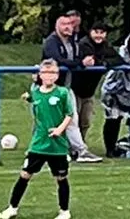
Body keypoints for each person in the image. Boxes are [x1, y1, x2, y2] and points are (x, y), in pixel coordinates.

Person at [0, 57, 74, 219]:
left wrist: (59, 130)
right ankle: (12, 208)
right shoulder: (36, 93)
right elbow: (36, 100)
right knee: (25, 174)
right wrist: (28, 97)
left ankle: (64, 210)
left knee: (61, 178)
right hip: (39, 143)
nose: (49, 76)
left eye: (52, 73)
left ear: (57, 75)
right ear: (40, 75)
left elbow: (69, 114)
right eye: (45, 72)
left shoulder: (62, 93)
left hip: (57, 145)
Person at [40, 12, 99, 161]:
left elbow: (76, 59)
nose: (67, 27)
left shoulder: (73, 43)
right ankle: (44, 151)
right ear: (57, 26)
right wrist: (80, 63)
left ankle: (80, 151)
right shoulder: (51, 42)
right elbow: (58, 60)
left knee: (72, 119)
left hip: (66, 88)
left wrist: (86, 61)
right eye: (64, 24)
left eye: (70, 24)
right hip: (50, 88)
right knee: (48, 121)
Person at [72, 22, 113, 147]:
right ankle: (72, 146)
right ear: (90, 32)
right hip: (76, 89)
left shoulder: (106, 45)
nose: (99, 35)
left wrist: (103, 62)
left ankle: (80, 144)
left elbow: (117, 59)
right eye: (96, 32)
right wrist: (101, 61)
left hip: (89, 91)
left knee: (85, 121)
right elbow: (88, 59)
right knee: (73, 120)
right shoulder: (83, 44)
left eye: (102, 32)